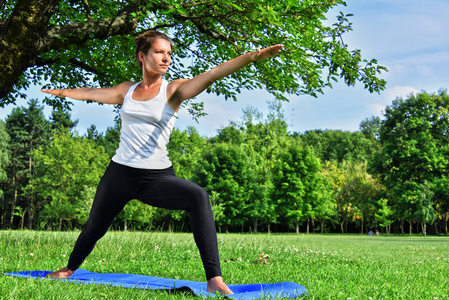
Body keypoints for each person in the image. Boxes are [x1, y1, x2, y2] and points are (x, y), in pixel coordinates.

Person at [41, 30, 282, 295]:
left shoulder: (174, 90)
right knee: (93, 229)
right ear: (142, 57)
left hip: (156, 178)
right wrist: (64, 92)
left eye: (169, 53)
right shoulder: (127, 90)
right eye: (159, 52)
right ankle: (68, 269)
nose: (166, 58)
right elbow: (94, 93)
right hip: (118, 174)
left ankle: (214, 279)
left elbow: (213, 74)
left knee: (198, 196)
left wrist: (250, 57)